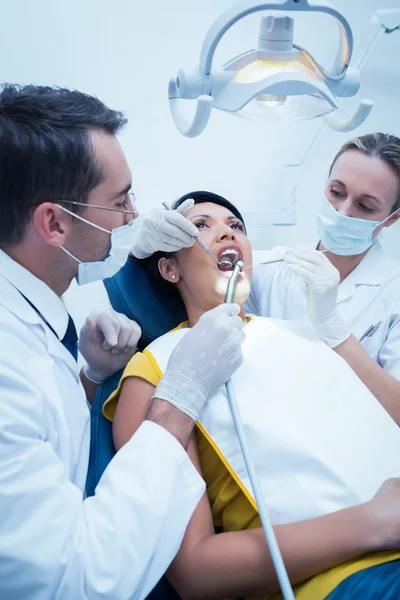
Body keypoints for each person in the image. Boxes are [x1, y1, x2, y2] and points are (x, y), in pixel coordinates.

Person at [0, 85, 245, 599]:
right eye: (119, 201)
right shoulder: (152, 367)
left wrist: (88, 378)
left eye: (235, 226)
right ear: (54, 222)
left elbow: (50, 434)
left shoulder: (40, 322)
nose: (135, 217)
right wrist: (178, 397)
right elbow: (74, 580)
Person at [103, 191, 400, 600]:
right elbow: (194, 573)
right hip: (349, 579)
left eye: (236, 226)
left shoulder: (304, 334)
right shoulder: (156, 370)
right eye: (202, 225)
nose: (227, 231)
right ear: (170, 268)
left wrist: (333, 331)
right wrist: (374, 522)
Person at [246, 133, 400, 425]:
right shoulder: (270, 268)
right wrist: (149, 252)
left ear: (391, 218)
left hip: (358, 453)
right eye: (336, 192)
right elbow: (192, 279)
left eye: (365, 206)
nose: (342, 212)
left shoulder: (394, 292)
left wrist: (336, 332)